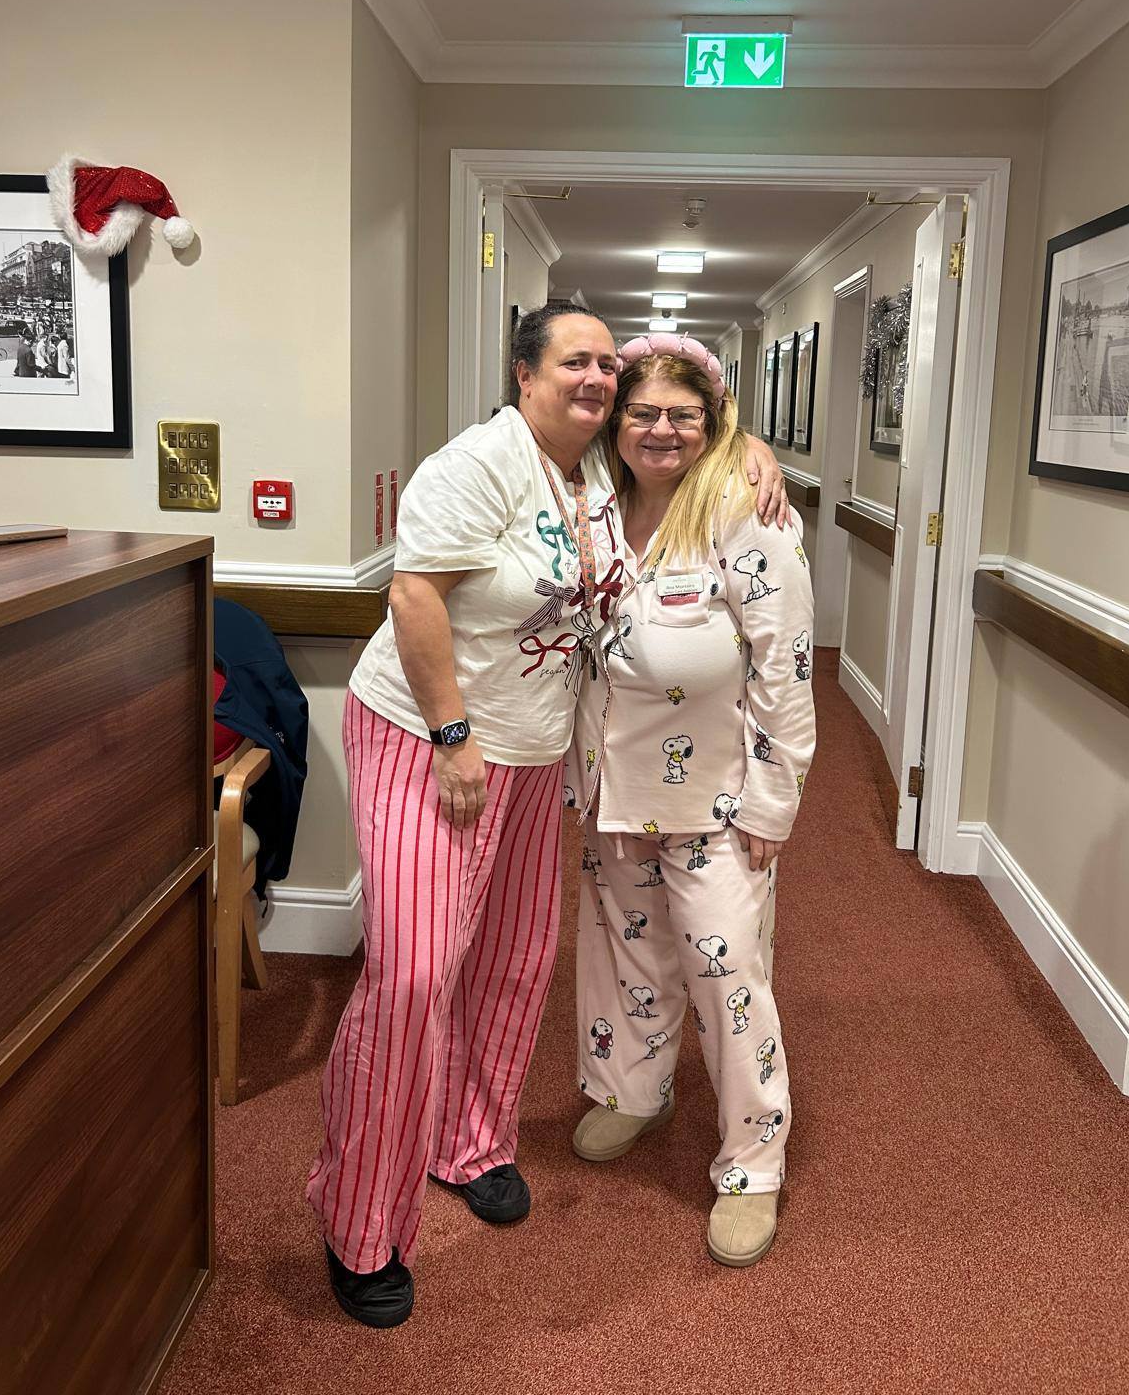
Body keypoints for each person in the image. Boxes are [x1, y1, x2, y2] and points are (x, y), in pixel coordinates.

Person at [307, 305, 789, 1330]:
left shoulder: (594, 477)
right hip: (433, 738)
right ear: (523, 373)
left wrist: (749, 444)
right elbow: (414, 597)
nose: (599, 380)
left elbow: (681, 439)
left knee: (517, 960)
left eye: (609, 364)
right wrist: (451, 735)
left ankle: (471, 1143)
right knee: (416, 973)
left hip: (536, 758)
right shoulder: (479, 462)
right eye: (577, 360)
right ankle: (360, 1220)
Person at [564, 330, 815, 1269]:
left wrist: (771, 803)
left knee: (727, 977)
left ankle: (753, 1161)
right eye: (643, 413)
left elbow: (787, 669)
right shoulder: (591, 504)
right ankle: (634, 1090)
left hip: (717, 799)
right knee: (625, 957)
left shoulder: (747, 513)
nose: (661, 431)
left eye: (684, 416)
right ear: (615, 422)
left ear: (714, 425)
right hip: (612, 790)